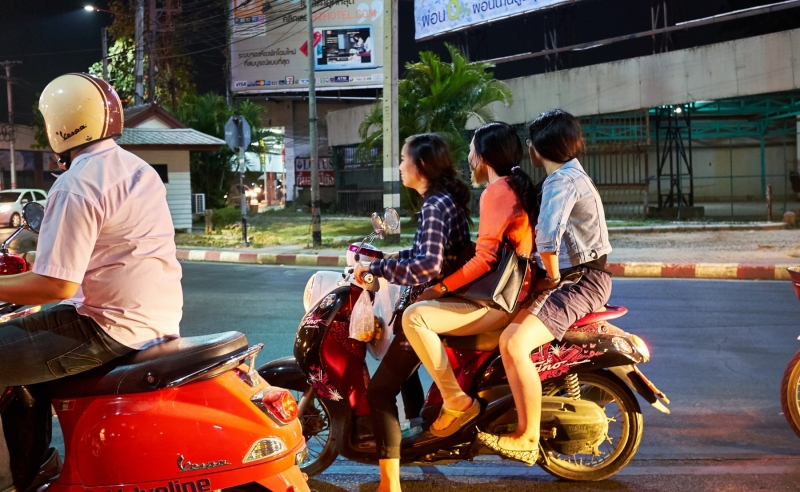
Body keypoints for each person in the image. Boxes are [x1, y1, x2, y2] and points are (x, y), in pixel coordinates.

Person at [0, 73, 183, 492]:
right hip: (152, 318)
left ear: (59, 123)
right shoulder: (133, 168)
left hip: (105, 327)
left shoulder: (77, 184)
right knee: (18, 354)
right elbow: (101, 250)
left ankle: (7, 482)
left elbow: (55, 287)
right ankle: (38, 461)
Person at [477, 109, 612, 465]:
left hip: (580, 281)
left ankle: (527, 436)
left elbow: (548, 238)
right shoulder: (566, 176)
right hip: (581, 277)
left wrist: (551, 280)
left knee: (513, 342)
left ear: (537, 147)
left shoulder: (561, 182)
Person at [403, 122, 538, 437]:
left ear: (484, 157)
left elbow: (485, 259)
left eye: (471, 149)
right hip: (510, 292)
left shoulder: (496, 191)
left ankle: (456, 400)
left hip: (498, 299)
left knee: (414, 317)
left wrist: (439, 288)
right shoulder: (512, 187)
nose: (468, 156)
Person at [353, 133, 472, 492]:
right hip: (437, 298)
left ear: (420, 166)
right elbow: (421, 253)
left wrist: (380, 271)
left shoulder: (435, 206)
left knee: (378, 391)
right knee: (401, 371)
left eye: (404, 159)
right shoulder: (440, 201)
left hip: (433, 302)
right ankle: (420, 434)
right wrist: (389, 259)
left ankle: (389, 484)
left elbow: (428, 266)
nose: (400, 166)